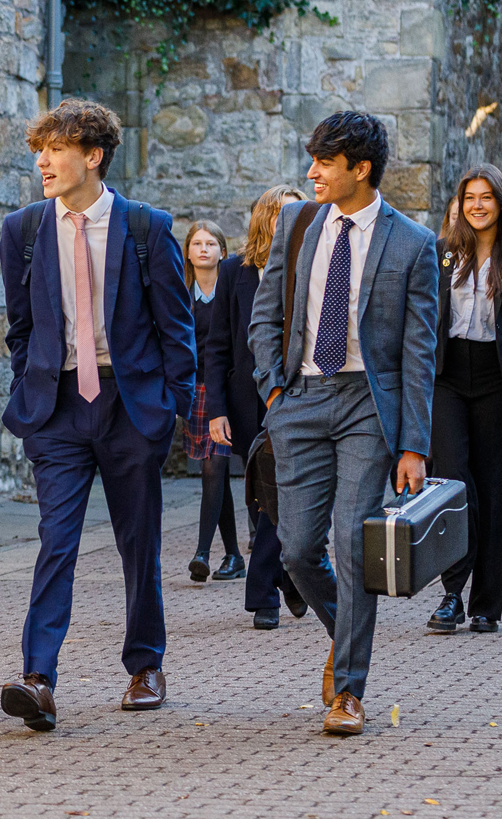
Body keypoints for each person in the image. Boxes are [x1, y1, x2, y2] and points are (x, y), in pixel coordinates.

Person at [0, 99, 194, 732]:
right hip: (55, 408)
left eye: (56, 149)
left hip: (128, 405)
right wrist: (33, 382)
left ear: (93, 156)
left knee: (139, 542)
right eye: (40, 149)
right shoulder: (22, 230)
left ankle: (145, 664)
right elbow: (20, 329)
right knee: (57, 539)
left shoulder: (144, 227)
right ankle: (38, 677)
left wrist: (171, 408)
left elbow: (176, 327)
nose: (43, 161)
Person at [249, 110, 438, 737]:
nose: (312, 172)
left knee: (354, 549)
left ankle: (349, 691)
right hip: (299, 399)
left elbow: (419, 351)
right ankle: (345, 635)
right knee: (298, 549)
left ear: (360, 169)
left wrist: (413, 444)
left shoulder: (412, 243)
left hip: (366, 406)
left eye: (325, 162)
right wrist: (273, 388)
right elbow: (266, 311)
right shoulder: (299, 225)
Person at [425, 166, 502, 635]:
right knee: (454, 484)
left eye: (486, 197)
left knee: (494, 491)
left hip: (497, 379)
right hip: (448, 377)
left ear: (501, 203)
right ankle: (452, 593)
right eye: (469, 197)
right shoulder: (443, 252)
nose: (477, 205)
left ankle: (486, 605)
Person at [201, 187, 311, 630]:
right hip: (245, 401)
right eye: (286, 214)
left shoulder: (313, 268)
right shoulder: (234, 271)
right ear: (266, 220)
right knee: (263, 494)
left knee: (282, 491)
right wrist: (216, 410)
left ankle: (262, 588)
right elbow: (217, 345)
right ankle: (289, 575)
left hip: (299, 395)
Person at [183, 218, 243, 583]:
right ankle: (234, 555)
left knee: (214, 467)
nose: (203, 249)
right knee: (214, 473)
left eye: (210, 244)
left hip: (223, 391)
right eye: (196, 244)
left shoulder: (231, 288)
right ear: (188, 252)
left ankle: (202, 552)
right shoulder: (180, 294)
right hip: (194, 391)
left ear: (222, 251)